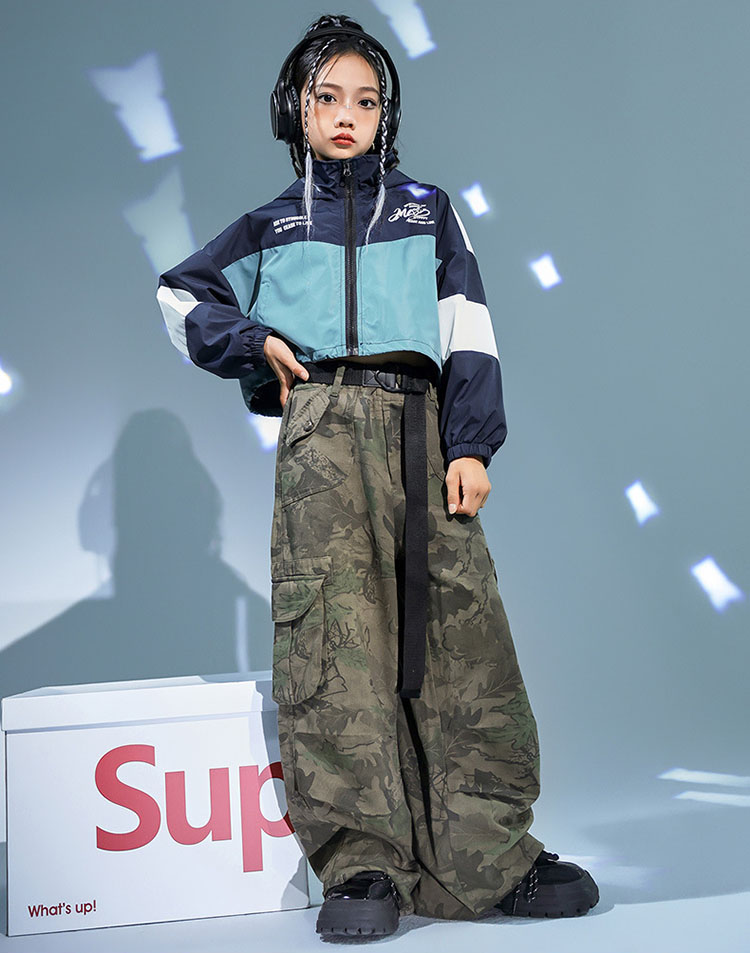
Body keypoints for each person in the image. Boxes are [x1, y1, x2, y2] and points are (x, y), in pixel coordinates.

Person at [156, 13, 599, 939]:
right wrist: (251, 342)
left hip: (421, 428)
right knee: (334, 642)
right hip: (321, 435)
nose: (346, 115)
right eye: (328, 98)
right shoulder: (270, 226)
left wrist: (471, 444)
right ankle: (363, 866)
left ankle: (488, 858)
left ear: (384, 115)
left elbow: (468, 324)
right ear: (296, 109)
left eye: (365, 100)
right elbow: (178, 293)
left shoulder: (427, 210)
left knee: (461, 633)